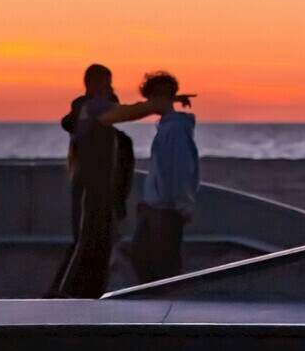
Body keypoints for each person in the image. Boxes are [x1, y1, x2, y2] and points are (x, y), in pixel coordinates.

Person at [99, 71, 199, 284]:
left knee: (162, 269)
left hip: (166, 211)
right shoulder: (168, 128)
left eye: (151, 99)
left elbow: (180, 170)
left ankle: (165, 312)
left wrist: (183, 206)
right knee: (145, 259)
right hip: (156, 208)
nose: (149, 104)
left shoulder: (176, 130)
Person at [48, 64, 134, 298]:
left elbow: (122, 176)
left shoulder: (118, 140)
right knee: (86, 245)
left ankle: (86, 296)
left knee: (99, 251)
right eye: (107, 84)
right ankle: (64, 294)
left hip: (103, 199)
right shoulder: (84, 115)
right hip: (91, 195)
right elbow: (73, 117)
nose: (111, 89)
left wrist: (119, 206)